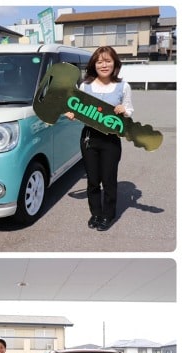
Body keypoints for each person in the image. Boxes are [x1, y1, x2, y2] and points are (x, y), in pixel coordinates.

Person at [65, 45, 133, 232]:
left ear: (115, 64)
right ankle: (95, 213)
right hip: (89, 138)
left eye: (108, 61)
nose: (104, 65)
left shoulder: (123, 86)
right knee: (93, 179)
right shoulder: (85, 86)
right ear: (94, 64)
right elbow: (79, 111)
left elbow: (130, 110)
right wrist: (73, 114)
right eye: (100, 61)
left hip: (111, 140)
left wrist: (124, 111)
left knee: (109, 179)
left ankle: (108, 215)